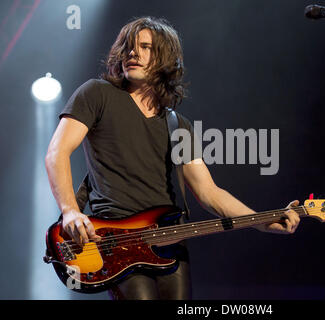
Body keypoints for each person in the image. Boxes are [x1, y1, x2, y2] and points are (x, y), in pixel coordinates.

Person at [45, 16, 300, 300]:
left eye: (145, 47)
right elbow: (57, 152)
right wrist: (70, 210)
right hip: (116, 240)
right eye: (128, 46)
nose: (133, 53)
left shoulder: (178, 125)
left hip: (169, 242)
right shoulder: (97, 93)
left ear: (165, 58)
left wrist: (262, 221)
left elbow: (209, 192)